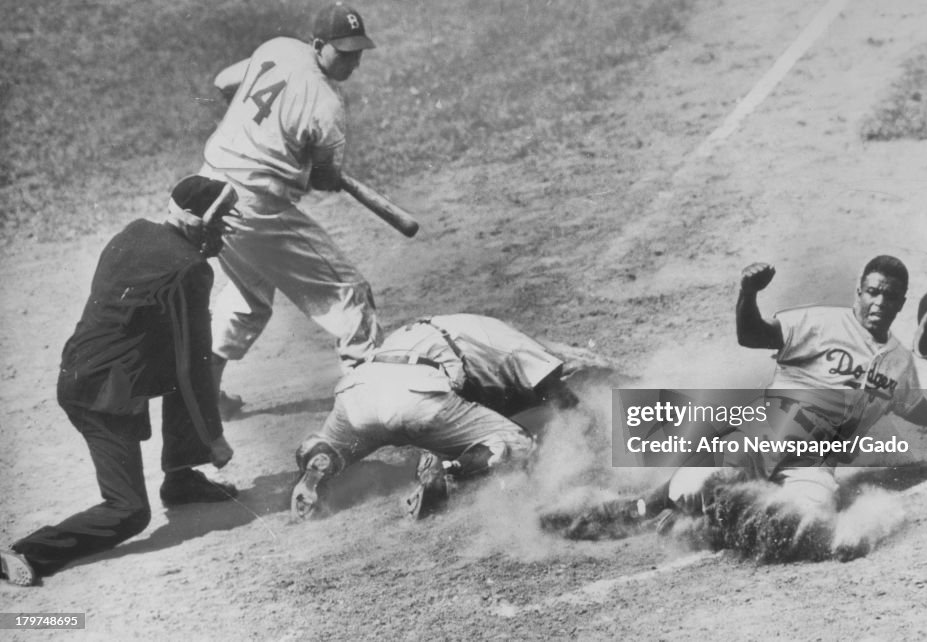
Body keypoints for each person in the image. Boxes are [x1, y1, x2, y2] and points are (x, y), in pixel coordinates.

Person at [543, 256, 927, 548]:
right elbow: (752, 334)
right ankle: (631, 509)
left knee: (807, 526)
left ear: (902, 303)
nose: (880, 303)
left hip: (814, 463)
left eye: (890, 297)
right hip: (769, 432)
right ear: (860, 291)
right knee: (699, 485)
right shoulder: (820, 322)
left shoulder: (901, 362)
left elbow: (912, 405)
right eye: (873, 293)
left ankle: (709, 525)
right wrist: (747, 292)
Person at [0, 176, 242, 587]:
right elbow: (196, 365)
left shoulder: (135, 232)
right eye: (216, 222)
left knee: (176, 362)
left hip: (81, 369)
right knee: (129, 511)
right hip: (102, 395)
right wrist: (213, 437)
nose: (222, 231)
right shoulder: (191, 269)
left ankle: (181, 479)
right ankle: (25, 551)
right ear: (190, 219)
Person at [198, 2, 384, 418]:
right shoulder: (328, 105)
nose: (353, 61)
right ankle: (375, 402)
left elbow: (224, 81)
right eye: (344, 51)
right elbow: (322, 178)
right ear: (318, 45)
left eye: (358, 51)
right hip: (255, 206)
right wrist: (324, 170)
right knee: (348, 291)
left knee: (249, 298)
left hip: (209, 189)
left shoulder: (279, 48)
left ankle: (204, 398)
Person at [290, 314, 584, 521]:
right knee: (518, 444)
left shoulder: (455, 327)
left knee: (334, 443)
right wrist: (582, 426)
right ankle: (448, 472)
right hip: (415, 397)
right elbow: (556, 390)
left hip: (358, 390)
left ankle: (316, 471)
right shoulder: (513, 341)